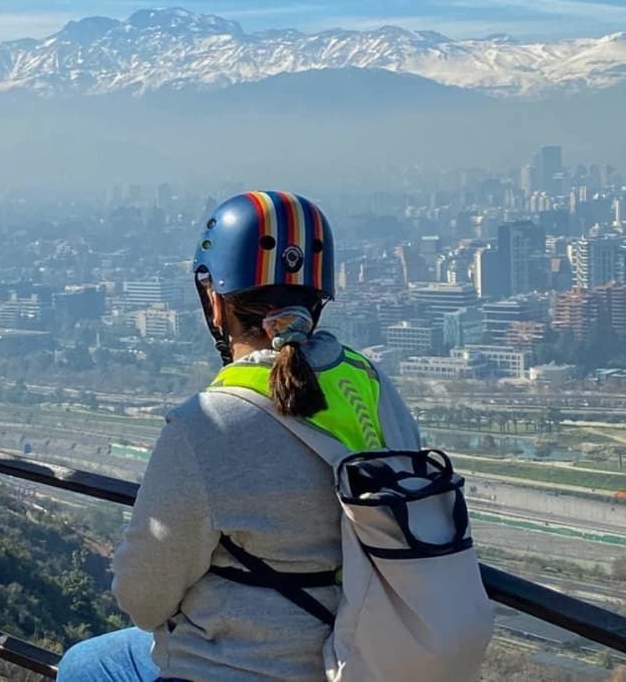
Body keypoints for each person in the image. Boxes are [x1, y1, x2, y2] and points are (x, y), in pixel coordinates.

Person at [57, 190, 421, 682]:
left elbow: (143, 598)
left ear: (215, 302)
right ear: (318, 298)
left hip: (241, 668)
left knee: (87, 665)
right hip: (372, 657)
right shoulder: (370, 384)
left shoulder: (208, 422)